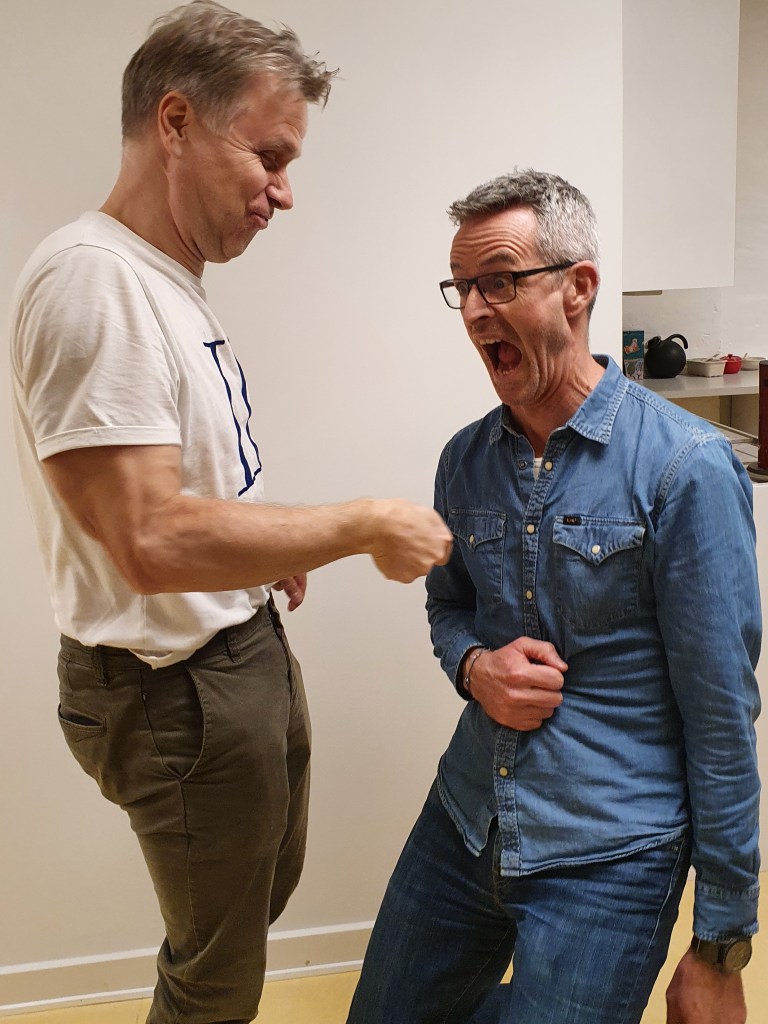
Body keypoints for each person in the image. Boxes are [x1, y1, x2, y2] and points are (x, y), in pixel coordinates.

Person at [10, 2, 452, 1022]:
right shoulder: (94, 283)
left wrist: (260, 551)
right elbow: (151, 540)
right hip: (176, 689)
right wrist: (360, 524)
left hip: (231, 653)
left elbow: (183, 492)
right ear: (176, 122)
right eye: (270, 156)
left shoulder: (161, 282)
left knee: (242, 920)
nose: (284, 191)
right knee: (216, 978)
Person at [345, 169, 761, 1024]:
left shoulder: (685, 468)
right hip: (467, 818)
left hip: (612, 856)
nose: (473, 310)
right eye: (462, 287)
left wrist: (720, 945)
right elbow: (447, 607)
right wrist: (474, 667)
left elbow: (722, 716)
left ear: (579, 288)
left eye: (499, 281)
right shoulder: (464, 460)